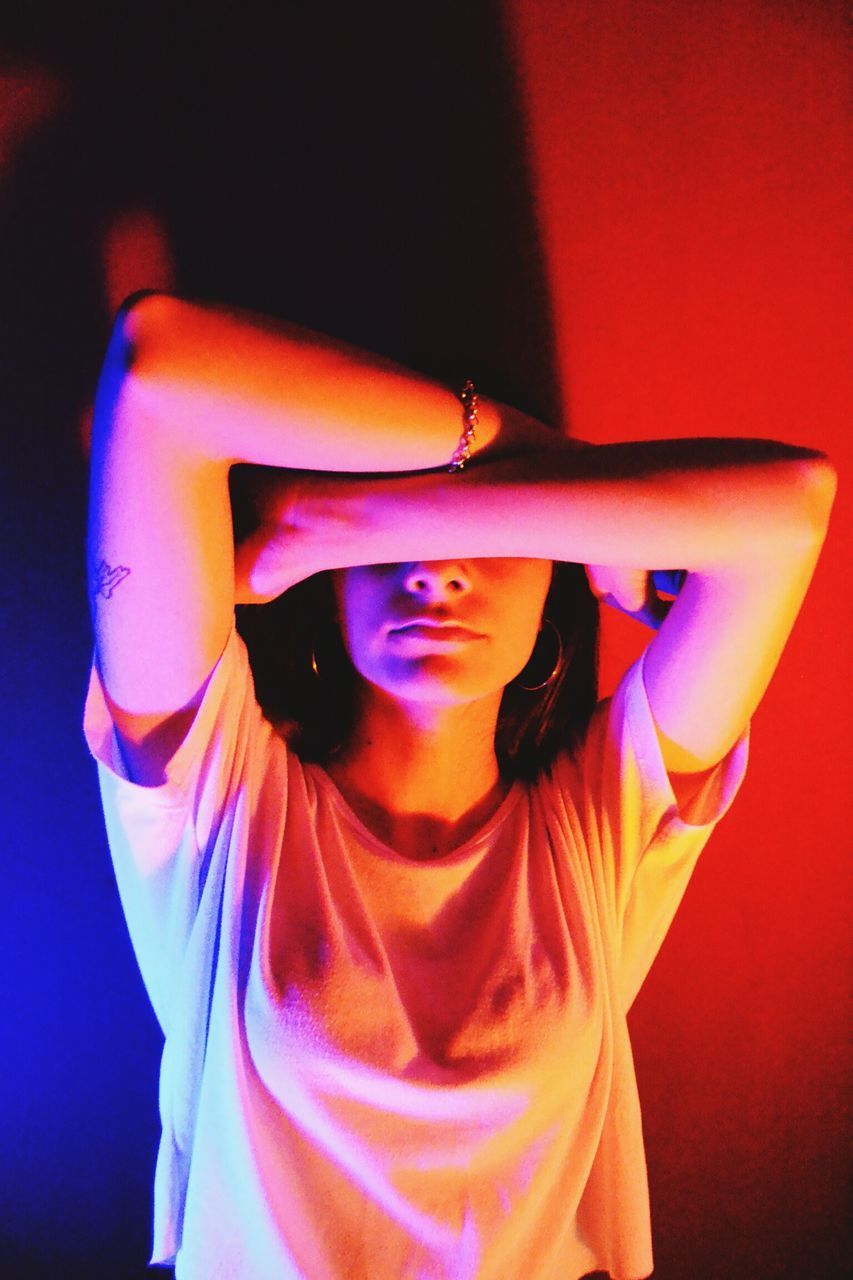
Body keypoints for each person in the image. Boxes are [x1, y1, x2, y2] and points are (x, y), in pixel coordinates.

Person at [83, 290, 836, 1280]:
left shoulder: (594, 828)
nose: (435, 571)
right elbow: (156, 364)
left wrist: (340, 520)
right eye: (392, 543)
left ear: (560, 574)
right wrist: (529, 455)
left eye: (488, 525)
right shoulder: (218, 796)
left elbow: (795, 506)